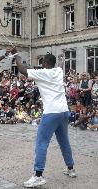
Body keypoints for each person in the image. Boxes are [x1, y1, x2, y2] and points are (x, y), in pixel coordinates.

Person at [12, 50, 76, 188]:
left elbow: (23, 70)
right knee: (64, 141)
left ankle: (38, 176)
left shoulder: (43, 73)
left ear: (45, 63)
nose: (41, 65)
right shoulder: (59, 71)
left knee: (41, 143)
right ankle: (71, 169)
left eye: (42, 63)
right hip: (64, 112)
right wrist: (60, 58)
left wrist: (16, 56)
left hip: (51, 112)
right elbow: (59, 64)